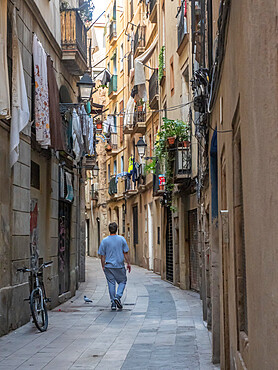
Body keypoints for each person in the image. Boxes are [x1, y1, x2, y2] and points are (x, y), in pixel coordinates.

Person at [98, 222, 131, 311]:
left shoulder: (104, 241)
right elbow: (125, 252)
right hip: (119, 265)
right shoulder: (121, 239)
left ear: (109, 230)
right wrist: (128, 263)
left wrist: (103, 266)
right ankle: (118, 296)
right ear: (117, 229)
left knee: (111, 283)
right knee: (122, 281)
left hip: (108, 266)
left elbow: (102, 256)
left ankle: (113, 303)